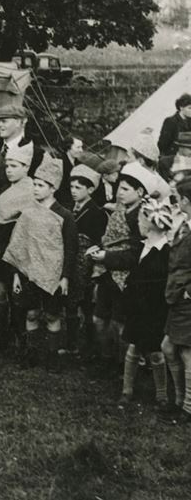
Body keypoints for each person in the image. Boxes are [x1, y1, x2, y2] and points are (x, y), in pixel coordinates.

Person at [3, 156, 77, 370]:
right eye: (34, 184)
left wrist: (65, 277)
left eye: (40, 185)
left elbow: (70, 249)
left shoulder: (65, 216)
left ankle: (53, 358)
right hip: (29, 273)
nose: (35, 189)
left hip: (53, 273)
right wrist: (17, 273)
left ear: (52, 188)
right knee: (31, 313)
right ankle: (31, 354)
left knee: (52, 315)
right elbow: (19, 244)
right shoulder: (27, 213)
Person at [87, 162, 155, 374]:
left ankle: (122, 366)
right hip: (107, 273)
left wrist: (107, 256)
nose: (120, 193)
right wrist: (101, 250)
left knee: (119, 323)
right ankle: (106, 358)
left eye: (126, 190)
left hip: (127, 278)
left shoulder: (141, 218)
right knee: (99, 319)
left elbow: (136, 253)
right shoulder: (120, 210)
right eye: (119, 188)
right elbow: (111, 239)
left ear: (140, 192)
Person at [115, 197, 173, 407]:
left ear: (150, 223)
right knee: (133, 347)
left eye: (140, 220)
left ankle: (162, 394)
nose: (137, 224)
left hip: (155, 310)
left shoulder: (166, 253)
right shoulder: (141, 247)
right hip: (137, 307)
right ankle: (127, 390)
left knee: (155, 351)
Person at [0, 143, 37, 347]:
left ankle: (19, 336)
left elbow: (25, 229)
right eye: (7, 166)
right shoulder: (4, 187)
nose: (9, 170)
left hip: (15, 248)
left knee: (17, 294)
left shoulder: (31, 191)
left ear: (26, 168)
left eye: (15, 166)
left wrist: (2, 249)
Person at [67, 164, 108, 356]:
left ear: (90, 189)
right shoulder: (72, 209)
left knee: (84, 302)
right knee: (72, 301)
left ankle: (87, 343)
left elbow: (98, 240)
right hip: (72, 258)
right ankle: (73, 341)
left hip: (86, 261)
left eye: (79, 188)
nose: (74, 192)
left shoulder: (96, 213)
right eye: (72, 187)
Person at [162, 180, 191, 423]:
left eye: (178, 198)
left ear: (186, 201)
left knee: (187, 353)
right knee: (169, 347)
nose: (176, 202)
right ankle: (179, 400)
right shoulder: (184, 225)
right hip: (176, 294)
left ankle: (187, 407)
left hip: (186, 297)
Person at [158, 92, 191, 158]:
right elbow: (162, 145)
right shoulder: (171, 122)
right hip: (173, 160)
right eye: (190, 108)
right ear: (181, 107)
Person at [55, 137, 84, 205]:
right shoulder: (59, 162)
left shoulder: (80, 165)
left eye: (81, 147)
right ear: (68, 147)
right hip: (60, 200)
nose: (81, 150)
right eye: (78, 147)